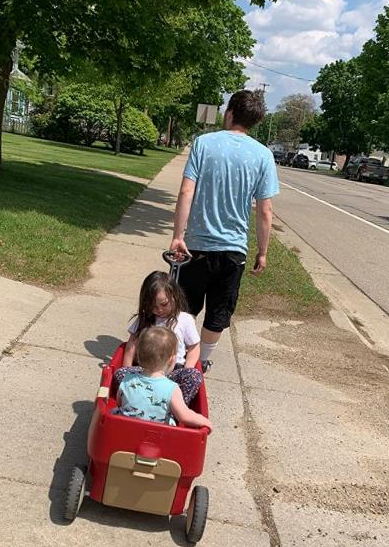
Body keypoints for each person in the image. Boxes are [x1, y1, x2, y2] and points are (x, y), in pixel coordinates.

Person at [169, 89, 279, 372]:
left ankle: (181, 357)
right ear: (254, 120)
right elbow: (265, 211)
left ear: (229, 112)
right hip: (233, 251)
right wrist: (263, 252)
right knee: (219, 311)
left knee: (185, 307)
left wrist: (178, 236)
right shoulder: (263, 155)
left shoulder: (203, 143)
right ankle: (201, 362)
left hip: (195, 247)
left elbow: (186, 191)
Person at [114, 271, 203, 405]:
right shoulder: (144, 319)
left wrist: (187, 368)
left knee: (194, 376)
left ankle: (175, 407)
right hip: (144, 370)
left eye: (164, 304)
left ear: (175, 297)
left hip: (173, 371)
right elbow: (131, 345)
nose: (159, 310)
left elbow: (194, 347)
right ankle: (137, 401)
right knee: (120, 373)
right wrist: (127, 370)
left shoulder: (185, 319)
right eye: (153, 306)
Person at [115, 326, 212, 431]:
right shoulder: (172, 388)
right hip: (159, 431)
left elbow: (119, 402)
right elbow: (184, 416)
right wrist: (203, 421)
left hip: (126, 428)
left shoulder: (127, 379)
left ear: (138, 356)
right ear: (171, 360)